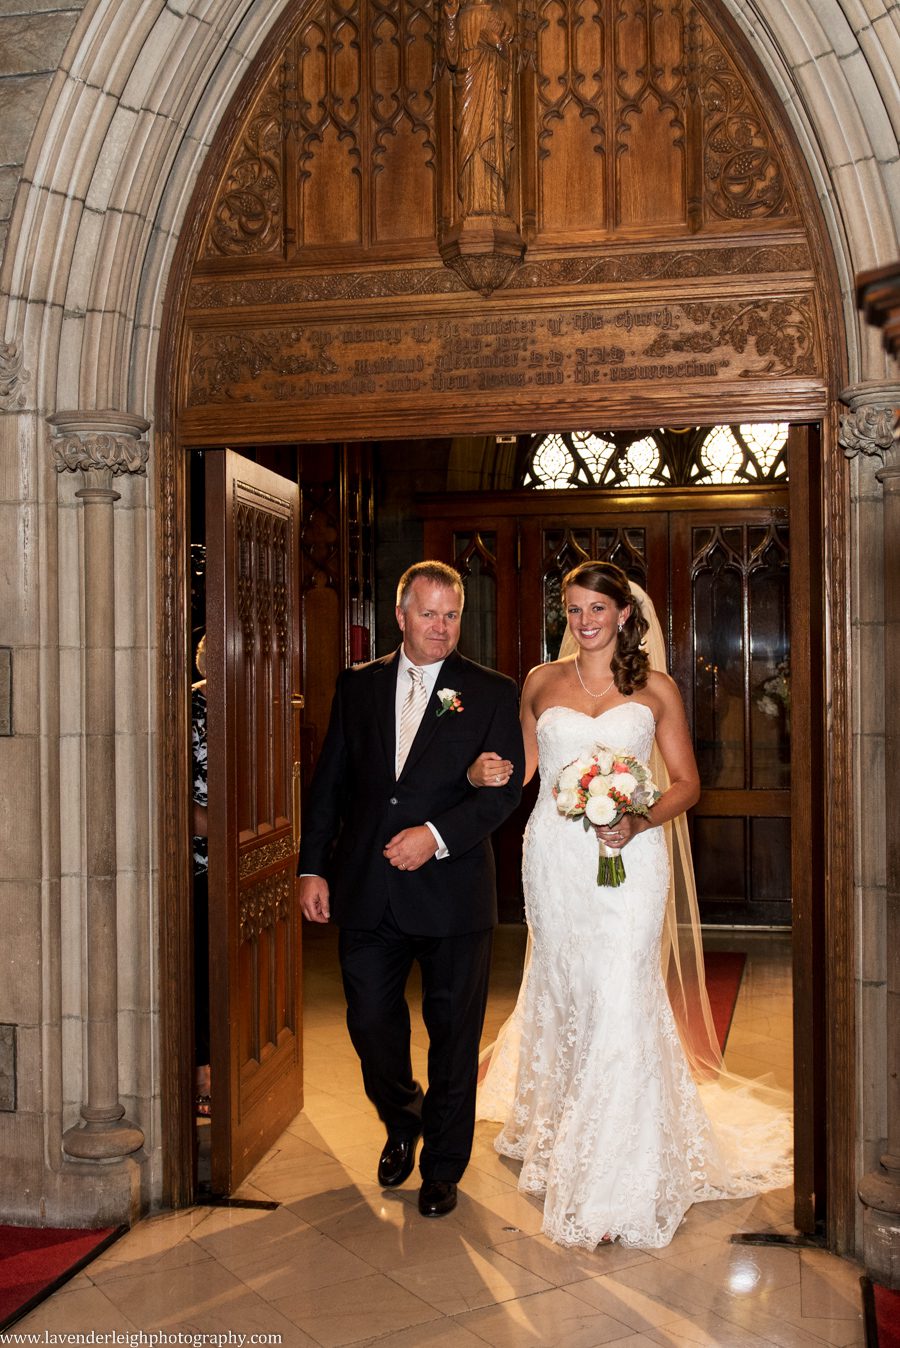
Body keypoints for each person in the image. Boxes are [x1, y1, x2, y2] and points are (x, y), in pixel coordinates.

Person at [471, 560, 792, 1249]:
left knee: (620, 994)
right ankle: (564, 1130)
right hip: (555, 858)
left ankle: (616, 1176)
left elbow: (687, 785)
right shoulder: (538, 683)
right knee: (566, 991)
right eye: (574, 609)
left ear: (623, 615)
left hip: (629, 856)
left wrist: (639, 817)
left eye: (597, 609)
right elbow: (523, 772)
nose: (584, 622)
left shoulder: (656, 688)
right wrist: (480, 773)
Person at [297, 560, 525, 1218]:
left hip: (453, 892)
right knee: (370, 1022)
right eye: (428, 614)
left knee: (454, 1036)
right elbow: (331, 786)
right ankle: (404, 1118)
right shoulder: (357, 686)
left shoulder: (487, 691)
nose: (441, 627)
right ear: (399, 616)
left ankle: (443, 1167)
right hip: (368, 886)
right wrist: (312, 866)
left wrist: (436, 834)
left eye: (451, 614)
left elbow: (503, 791)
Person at [191, 634, 211, 1119]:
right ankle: (203, 1072)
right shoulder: (187, 707)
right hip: (196, 859)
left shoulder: (256, 703)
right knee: (200, 965)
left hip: (252, 852)